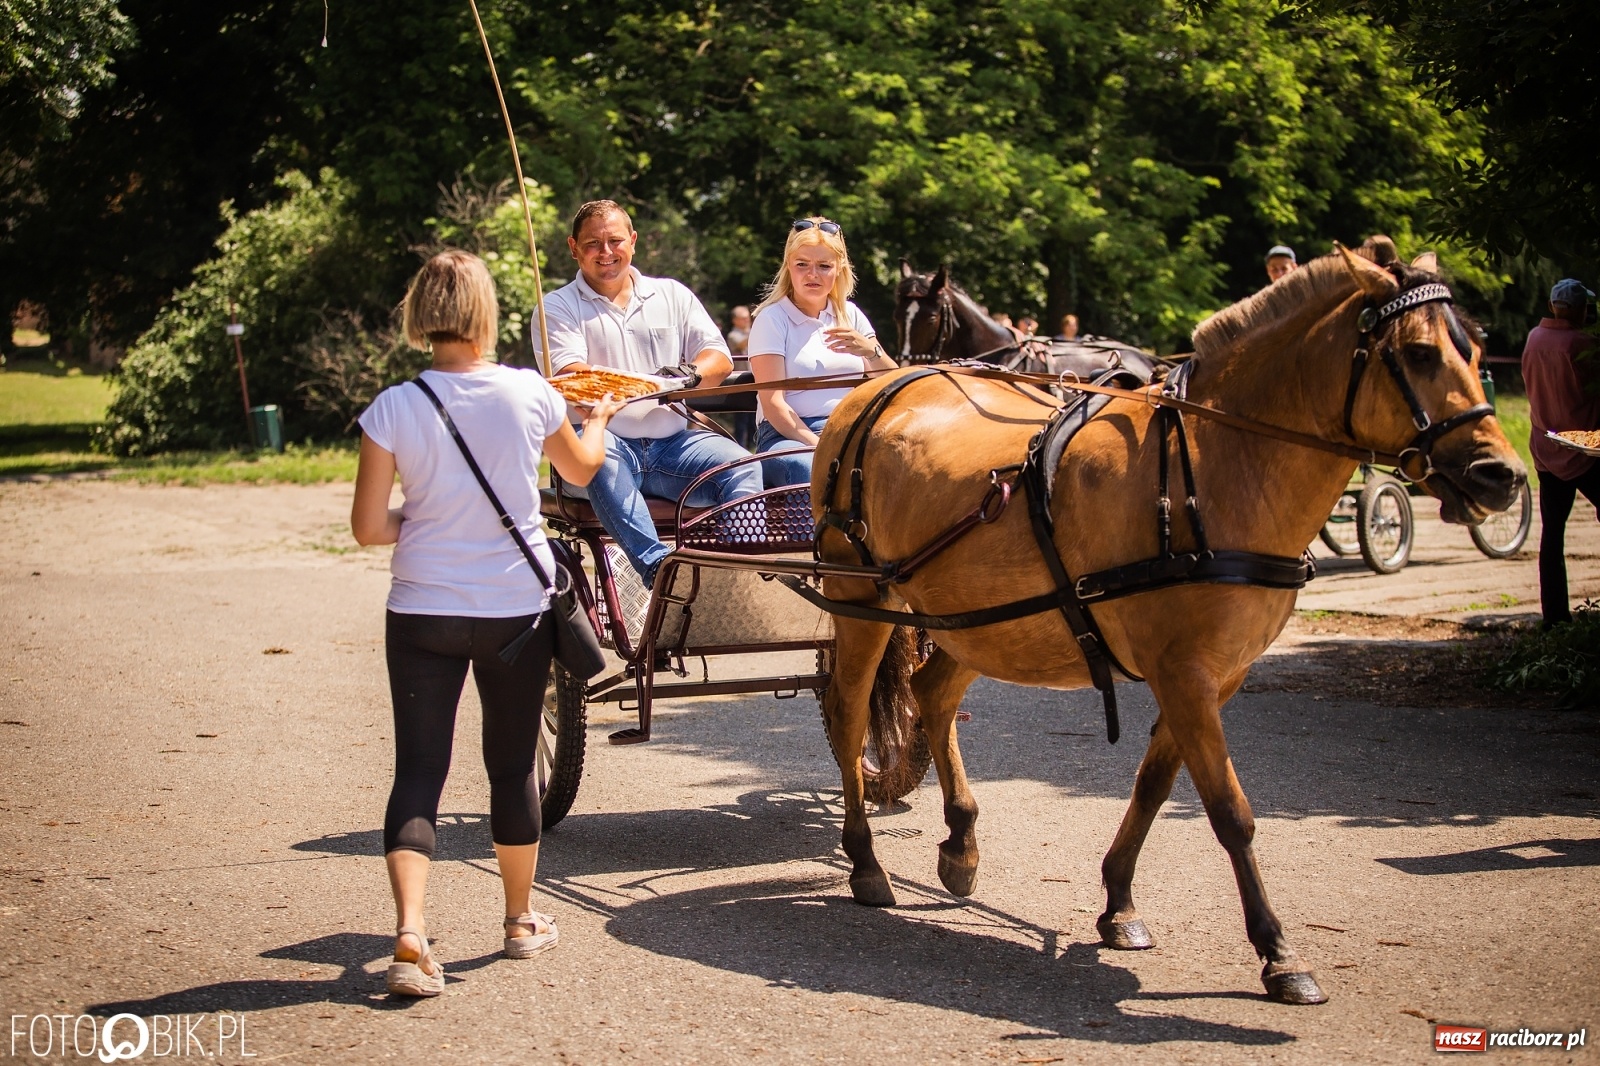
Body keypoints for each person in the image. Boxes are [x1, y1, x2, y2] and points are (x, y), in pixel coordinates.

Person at [351, 250, 625, 998]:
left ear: (420, 313)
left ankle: (410, 937)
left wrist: (425, 513)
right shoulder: (528, 392)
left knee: (418, 772)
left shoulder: (394, 406)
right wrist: (595, 419)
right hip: (513, 611)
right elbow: (580, 472)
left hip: (422, 611)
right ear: (483, 312)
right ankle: (518, 921)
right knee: (510, 768)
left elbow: (370, 528)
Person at [537, 200, 762, 585]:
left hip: (673, 444)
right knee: (601, 459)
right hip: (600, 442)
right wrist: (646, 384)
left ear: (634, 242)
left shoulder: (672, 294)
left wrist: (687, 374)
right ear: (573, 247)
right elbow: (575, 378)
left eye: (615, 240)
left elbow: (719, 359)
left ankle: (735, 574)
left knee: (744, 468)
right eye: (593, 243)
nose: (605, 252)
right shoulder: (556, 307)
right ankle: (660, 571)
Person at [747, 217, 897, 487]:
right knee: (807, 466)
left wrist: (871, 351)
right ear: (788, 268)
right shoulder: (772, 319)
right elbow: (773, 404)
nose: (812, 274)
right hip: (788, 436)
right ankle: (809, 532)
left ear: (839, 269)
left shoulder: (850, 314)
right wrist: (822, 447)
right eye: (802, 264)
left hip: (849, 429)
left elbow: (894, 384)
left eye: (823, 266)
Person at [1523, 277, 1600, 628]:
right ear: (1579, 309)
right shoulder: (1582, 344)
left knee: (1552, 534)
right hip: (1583, 450)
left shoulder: (1533, 339)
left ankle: (1554, 618)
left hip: (1546, 448)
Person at [726, 305, 756, 447]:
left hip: (754, 379)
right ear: (735, 321)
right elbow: (740, 344)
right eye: (743, 318)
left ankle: (753, 445)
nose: (747, 320)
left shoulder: (752, 332)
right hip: (739, 381)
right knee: (741, 417)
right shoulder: (733, 335)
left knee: (753, 416)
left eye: (747, 317)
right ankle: (740, 446)